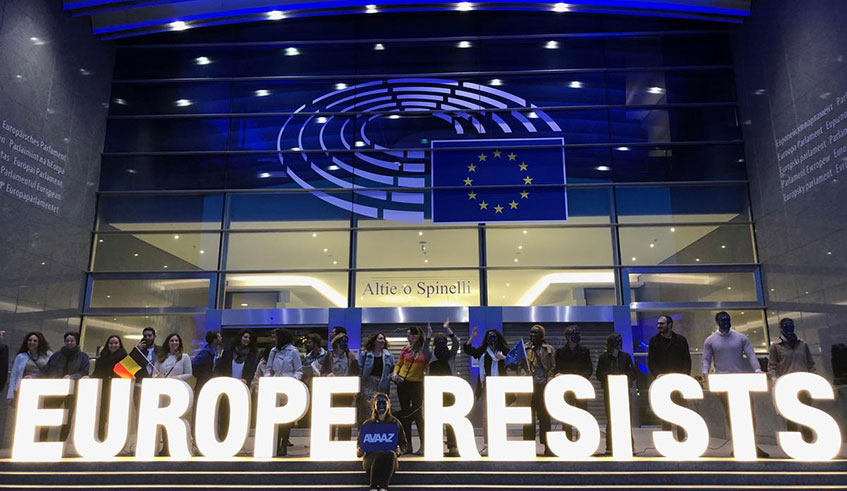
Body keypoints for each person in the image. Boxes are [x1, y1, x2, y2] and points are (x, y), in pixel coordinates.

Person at [702, 311, 768, 458]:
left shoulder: (740, 337)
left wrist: (757, 370)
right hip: (723, 382)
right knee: (731, 415)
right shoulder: (711, 340)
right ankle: (738, 445)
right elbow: (706, 359)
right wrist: (705, 375)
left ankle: (752, 445)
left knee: (749, 414)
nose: (725, 321)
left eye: (727, 319)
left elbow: (751, 354)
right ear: (717, 322)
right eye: (722, 320)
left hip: (741, 381)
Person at [767, 318, 816, 441]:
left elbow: (811, 364)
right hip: (787, 386)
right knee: (790, 417)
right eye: (785, 326)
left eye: (790, 326)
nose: (788, 328)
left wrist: (813, 378)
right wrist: (774, 379)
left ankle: (809, 441)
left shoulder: (803, 345)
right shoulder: (776, 346)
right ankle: (795, 443)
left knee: (807, 414)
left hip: (804, 385)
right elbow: (771, 366)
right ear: (781, 328)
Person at [647, 315, 691, 441]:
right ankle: (667, 441)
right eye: (658, 324)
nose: (659, 326)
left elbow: (687, 360)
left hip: (678, 382)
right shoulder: (654, 341)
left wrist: (684, 377)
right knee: (664, 413)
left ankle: (681, 439)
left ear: (670, 325)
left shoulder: (681, 340)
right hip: (662, 382)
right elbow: (651, 362)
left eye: (662, 323)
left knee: (681, 411)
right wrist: (658, 374)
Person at [391, 325, 431, 455]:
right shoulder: (405, 350)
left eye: (409, 335)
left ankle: (424, 444)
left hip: (417, 384)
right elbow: (399, 364)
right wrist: (395, 373)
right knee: (405, 415)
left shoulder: (424, 351)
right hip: (403, 383)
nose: (407, 338)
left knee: (418, 414)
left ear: (416, 336)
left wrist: (429, 335)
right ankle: (408, 445)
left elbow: (428, 366)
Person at [45, 331, 91, 443]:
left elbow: (84, 372)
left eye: (72, 340)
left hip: (73, 390)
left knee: (67, 417)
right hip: (56, 389)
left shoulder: (83, 356)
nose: (69, 343)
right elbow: (49, 369)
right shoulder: (57, 355)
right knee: (48, 415)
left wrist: (72, 377)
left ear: (76, 342)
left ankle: (62, 442)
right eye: (67, 341)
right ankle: (43, 439)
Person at [215, 329, 259, 441]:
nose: (247, 339)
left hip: (242, 387)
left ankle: (236, 439)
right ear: (240, 338)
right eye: (245, 337)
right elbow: (220, 368)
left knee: (239, 413)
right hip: (227, 386)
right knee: (225, 412)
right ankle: (223, 436)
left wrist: (246, 380)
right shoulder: (228, 352)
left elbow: (251, 371)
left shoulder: (252, 354)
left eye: (249, 338)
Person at [264, 328, 303, 456]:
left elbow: (299, 370)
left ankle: (283, 444)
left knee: (286, 419)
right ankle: (274, 444)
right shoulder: (273, 352)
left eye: (275, 337)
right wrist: (268, 379)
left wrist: (294, 380)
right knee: (275, 418)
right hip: (275, 386)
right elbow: (268, 368)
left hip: (288, 387)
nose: (273, 339)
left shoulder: (293, 351)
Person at [596, 333, 636, 456]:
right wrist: (609, 377)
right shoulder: (604, 358)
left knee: (625, 419)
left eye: (620, 341)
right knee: (610, 419)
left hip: (623, 391)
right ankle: (610, 447)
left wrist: (623, 378)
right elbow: (599, 374)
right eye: (616, 341)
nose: (619, 343)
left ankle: (629, 446)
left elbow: (632, 374)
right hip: (609, 391)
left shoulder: (626, 357)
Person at [7, 332, 52, 441]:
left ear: (40, 342)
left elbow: (51, 371)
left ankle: (41, 440)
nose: (32, 342)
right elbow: (14, 375)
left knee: (43, 417)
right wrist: (10, 394)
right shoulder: (21, 356)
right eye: (30, 340)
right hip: (24, 391)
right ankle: (25, 440)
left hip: (42, 390)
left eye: (35, 340)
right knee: (25, 417)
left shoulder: (48, 355)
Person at [357, 393, 406, 491]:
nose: (381, 406)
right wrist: (360, 451)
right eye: (379, 403)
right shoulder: (368, 424)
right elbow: (359, 445)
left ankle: (384, 486)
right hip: (371, 459)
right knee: (379, 453)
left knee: (390, 454)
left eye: (384, 403)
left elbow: (403, 443)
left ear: (388, 405)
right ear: (374, 405)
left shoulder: (395, 423)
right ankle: (373, 487)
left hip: (390, 460)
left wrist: (399, 450)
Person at [153, 333, 192, 455]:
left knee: (177, 420)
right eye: (172, 340)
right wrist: (158, 376)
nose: (174, 343)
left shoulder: (184, 357)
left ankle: (176, 446)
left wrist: (177, 377)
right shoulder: (161, 358)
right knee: (165, 419)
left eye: (176, 340)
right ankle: (165, 446)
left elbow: (189, 373)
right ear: (168, 343)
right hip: (164, 392)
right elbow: (154, 374)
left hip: (177, 391)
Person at [427, 319, 460, 457]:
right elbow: (423, 348)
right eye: (438, 340)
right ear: (435, 343)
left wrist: (448, 329)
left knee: (450, 419)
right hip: (434, 391)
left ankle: (453, 446)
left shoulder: (450, 355)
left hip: (449, 390)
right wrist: (429, 335)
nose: (441, 342)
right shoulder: (430, 355)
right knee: (434, 419)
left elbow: (457, 343)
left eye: (443, 340)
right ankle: (434, 445)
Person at [554, 325, 593, 441]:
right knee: (566, 416)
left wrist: (581, 379)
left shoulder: (585, 351)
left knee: (582, 413)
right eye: (574, 334)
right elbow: (557, 369)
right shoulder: (560, 352)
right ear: (568, 337)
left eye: (578, 334)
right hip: (566, 388)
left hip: (581, 387)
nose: (577, 336)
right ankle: (567, 439)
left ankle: (582, 439)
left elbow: (589, 369)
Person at [320, 330, 359, 441]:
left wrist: (354, 360)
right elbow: (323, 371)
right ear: (336, 342)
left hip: (346, 391)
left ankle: (344, 440)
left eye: (346, 341)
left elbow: (356, 372)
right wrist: (327, 375)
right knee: (331, 418)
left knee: (345, 418)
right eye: (342, 341)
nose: (344, 343)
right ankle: (329, 440)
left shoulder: (349, 356)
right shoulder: (330, 356)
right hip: (332, 390)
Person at [522, 324, 555, 456]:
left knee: (544, 418)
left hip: (543, 386)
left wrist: (551, 377)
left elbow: (553, 366)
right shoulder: (524, 348)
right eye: (531, 333)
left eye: (535, 333)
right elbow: (518, 364)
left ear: (542, 335)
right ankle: (528, 446)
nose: (532, 335)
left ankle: (547, 446)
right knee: (528, 418)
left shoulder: (549, 349)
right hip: (529, 386)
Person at [92, 335, 127, 439]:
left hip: (118, 390)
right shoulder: (101, 359)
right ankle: (100, 437)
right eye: (111, 343)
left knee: (115, 415)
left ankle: (115, 438)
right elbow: (96, 373)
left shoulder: (125, 359)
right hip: (103, 389)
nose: (113, 345)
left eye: (116, 343)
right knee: (102, 414)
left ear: (120, 345)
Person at [358, 332, 394, 426]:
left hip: (383, 384)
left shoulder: (389, 356)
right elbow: (360, 370)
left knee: (382, 409)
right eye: (380, 339)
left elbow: (393, 370)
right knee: (369, 409)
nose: (383, 341)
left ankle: (381, 430)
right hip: (369, 384)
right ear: (374, 341)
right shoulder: (365, 354)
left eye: (383, 339)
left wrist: (391, 376)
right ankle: (369, 429)